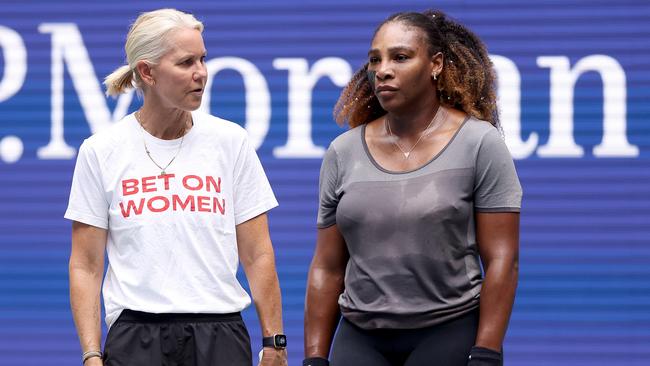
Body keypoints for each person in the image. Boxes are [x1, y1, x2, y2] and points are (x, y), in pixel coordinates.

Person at [65, 9, 287, 366]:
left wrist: (275, 342)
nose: (201, 73)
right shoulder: (100, 150)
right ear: (147, 72)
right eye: (185, 62)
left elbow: (258, 254)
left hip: (221, 333)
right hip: (136, 337)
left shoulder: (230, 141)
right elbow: (86, 265)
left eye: (202, 59)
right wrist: (91, 355)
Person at [303, 10, 521, 366]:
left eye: (400, 57)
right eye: (375, 59)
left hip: (448, 330)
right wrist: (314, 357)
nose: (383, 70)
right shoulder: (343, 152)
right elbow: (327, 267)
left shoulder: (480, 143)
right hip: (359, 336)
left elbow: (502, 260)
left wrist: (486, 351)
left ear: (435, 64)